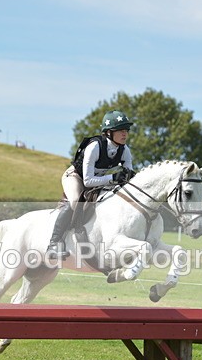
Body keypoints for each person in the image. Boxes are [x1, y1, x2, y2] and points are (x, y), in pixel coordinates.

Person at [46, 110, 136, 260]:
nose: (125, 134)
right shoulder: (95, 146)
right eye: (120, 130)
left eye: (126, 130)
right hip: (76, 177)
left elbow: (129, 176)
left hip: (97, 180)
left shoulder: (124, 150)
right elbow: (87, 181)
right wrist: (113, 177)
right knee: (74, 201)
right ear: (108, 133)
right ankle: (53, 244)